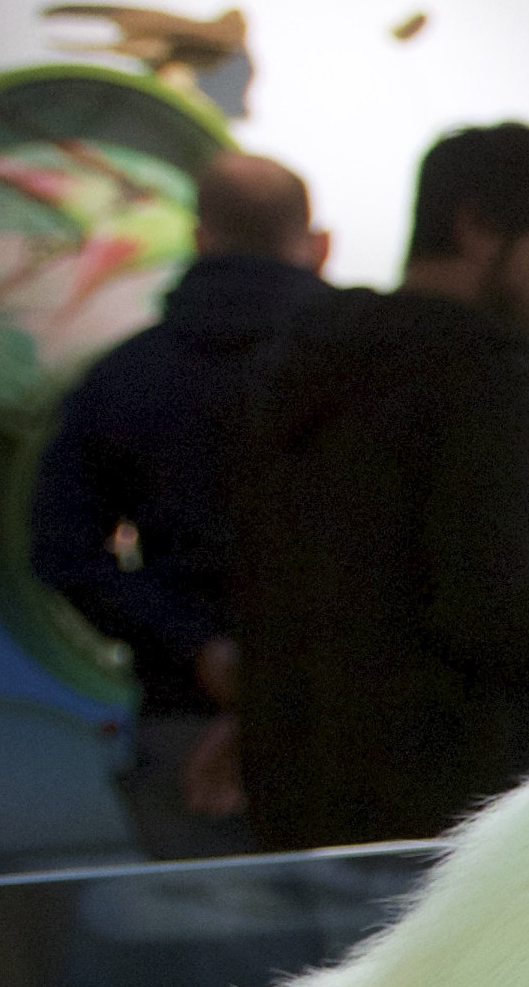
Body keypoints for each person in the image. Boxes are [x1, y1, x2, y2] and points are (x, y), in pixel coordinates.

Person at [233, 123, 529, 850]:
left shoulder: (306, 356)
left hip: (305, 798)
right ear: (477, 229)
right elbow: (491, 616)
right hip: (464, 809)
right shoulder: (489, 373)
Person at [33, 151, 331, 856]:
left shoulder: (125, 374)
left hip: (185, 714)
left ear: (201, 238)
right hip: (350, 710)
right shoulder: (372, 365)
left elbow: (62, 549)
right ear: (316, 242)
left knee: (203, 922)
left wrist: (195, 644)